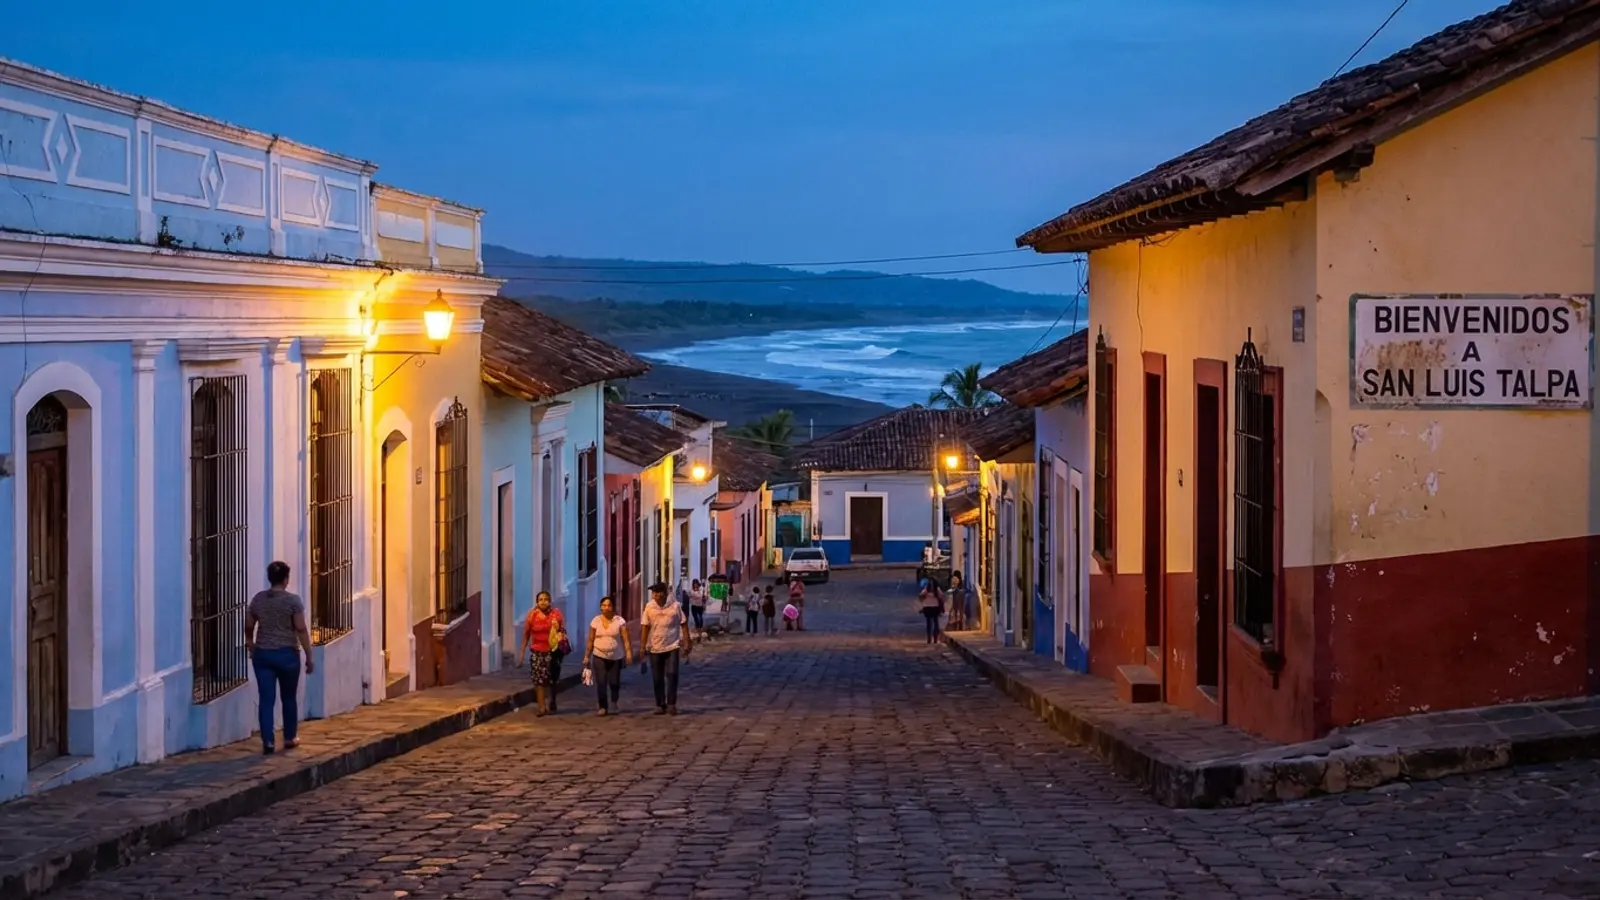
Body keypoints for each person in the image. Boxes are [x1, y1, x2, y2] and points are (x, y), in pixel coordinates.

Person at [245, 561, 313, 755]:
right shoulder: (293, 601)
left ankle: (268, 740)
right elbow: (301, 629)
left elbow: (249, 624)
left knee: (266, 699)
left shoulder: (258, 600)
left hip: (263, 654)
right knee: (288, 697)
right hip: (287, 655)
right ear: (285, 579)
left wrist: (250, 643)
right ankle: (290, 737)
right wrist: (309, 655)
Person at [640, 581, 692, 715]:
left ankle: (671, 704)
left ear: (665, 593)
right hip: (654, 647)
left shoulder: (675, 606)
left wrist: (687, 641)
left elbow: (683, 623)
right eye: (654, 593)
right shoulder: (649, 607)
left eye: (658, 592)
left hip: (672, 645)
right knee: (657, 677)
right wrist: (642, 646)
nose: (656, 595)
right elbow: (645, 626)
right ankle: (660, 704)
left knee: (672, 674)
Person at [519, 591, 568, 716]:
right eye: (540, 599)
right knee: (539, 680)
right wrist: (522, 652)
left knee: (552, 679)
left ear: (550, 601)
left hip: (553, 651)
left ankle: (552, 700)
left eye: (546, 599)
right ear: (537, 602)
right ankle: (541, 707)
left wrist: (558, 628)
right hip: (537, 651)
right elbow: (526, 634)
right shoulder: (532, 615)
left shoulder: (556, 614)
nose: (543, 602)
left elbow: (563, 631)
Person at [583, 596, 633, 716]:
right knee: (601, 682)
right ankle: (602, 706)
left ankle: (614, 701)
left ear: (613, 607)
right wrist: (587, 656)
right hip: (599, 654)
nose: (606, 608)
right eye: (604, 605)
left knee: (614, 682)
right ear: (601, 607)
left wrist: (628, 653)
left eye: (609, 605)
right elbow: (590, 639)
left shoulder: (619, 621)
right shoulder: (595, 621)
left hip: (615, 656)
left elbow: (625, 639)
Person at [919, 578, 945, 645]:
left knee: (935, 624)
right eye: (930, 583)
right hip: (928, 607)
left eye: (932, 583)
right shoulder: (926, 590)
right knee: (929, 624)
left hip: (935, 608)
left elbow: (941, 596)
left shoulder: (937, 590)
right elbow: (921, 596)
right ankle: (929, 638)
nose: (931, 585)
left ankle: (935, 638)